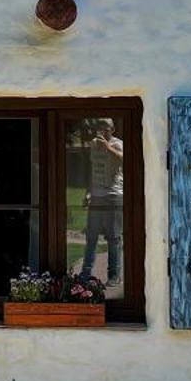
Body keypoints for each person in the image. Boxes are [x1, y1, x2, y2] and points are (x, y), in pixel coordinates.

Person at [80, 122, 124, 289]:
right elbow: (93, 169)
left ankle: (114, 276)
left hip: (113, 196)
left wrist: (107, 147)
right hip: (97, 196)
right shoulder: (93, 144)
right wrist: (88, 192)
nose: (101, 131)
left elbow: (124, 160)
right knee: (91, 237)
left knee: (114, 238)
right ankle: (85, 274)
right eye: (99, 128)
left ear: (112, 129)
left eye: (105, 128)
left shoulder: (118, 143)